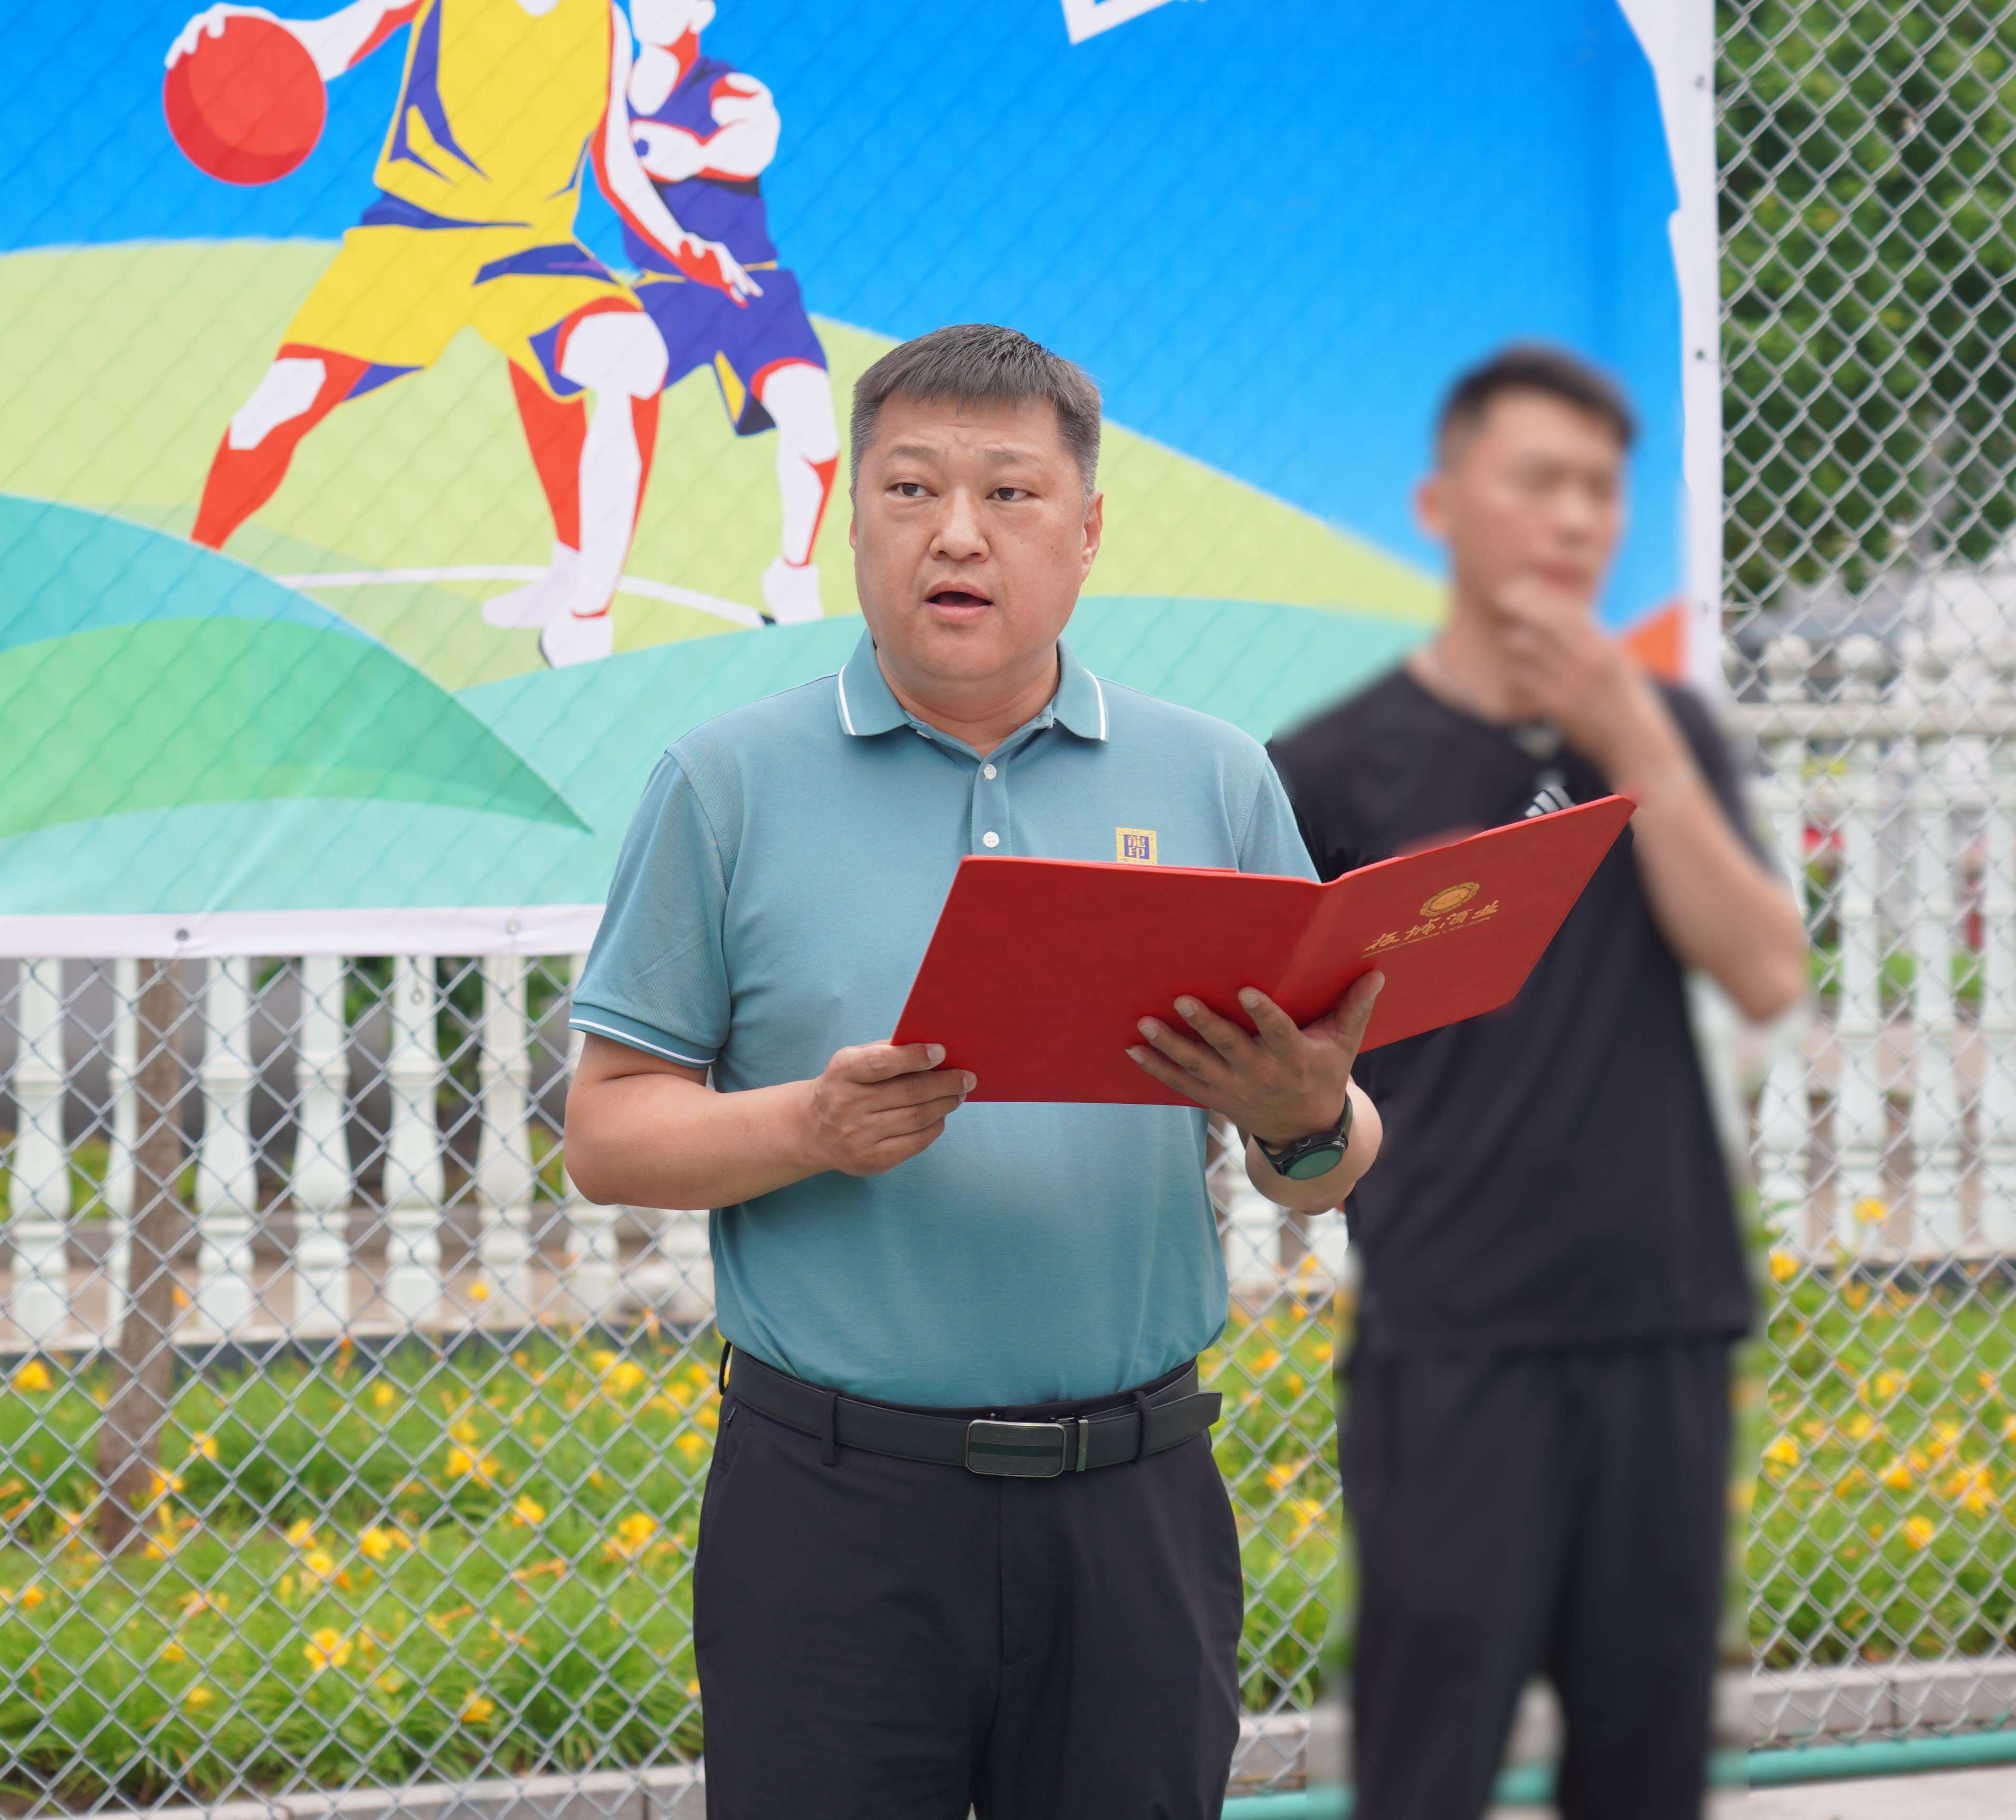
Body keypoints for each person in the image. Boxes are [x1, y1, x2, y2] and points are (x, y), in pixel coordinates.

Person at [563, 323, 1386, 1819]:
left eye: (1009, 493)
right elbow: (609, 1132)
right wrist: (810, 1124)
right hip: (833, 1512)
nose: (956, 533)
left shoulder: (1212, 778)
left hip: (1134, 1505)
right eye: (910, 489)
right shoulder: (725, 783)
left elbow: (1323, 1157)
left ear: (1086, 532)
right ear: (850, 521)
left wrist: (1306, 1117)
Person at [1267, 345, 1806, 1820]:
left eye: (1598, 490)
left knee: (1645, 1761)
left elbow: (1764, 969)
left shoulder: (1662, 731)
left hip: (1662, 1317)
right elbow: (1273, 1070)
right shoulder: (1335, 768)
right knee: (1427, 1755)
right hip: (1453, 1336)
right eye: (1535, 482)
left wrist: (1635, 746)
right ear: (1440, 503)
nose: (1573, 518)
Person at [166, 0, 758, 667]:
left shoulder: (605, 24)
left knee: (634, 357)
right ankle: (187, 578)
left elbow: (616, 167)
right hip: (413, 234)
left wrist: (685, 246)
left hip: (530, 252)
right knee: (274, 408)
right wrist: (247, 42)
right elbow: (328, 42)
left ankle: (583, 613)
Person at [489, 0, 840, 640]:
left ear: (700, 12)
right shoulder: (604, 91)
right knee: (542, 365)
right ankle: (572, 568)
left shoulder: (728, 86)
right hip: (667, 290)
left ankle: (792, 579)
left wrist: (694, 154)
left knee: (814, 425)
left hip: (751, 285)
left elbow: (754, 141)